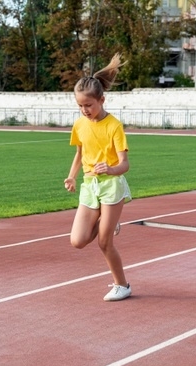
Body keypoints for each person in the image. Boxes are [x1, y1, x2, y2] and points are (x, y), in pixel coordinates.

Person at [64, 53, 132, 301]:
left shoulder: (114, 126)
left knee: (104, 243)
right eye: (80, 105)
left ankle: (122, 285)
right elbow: (80, 153)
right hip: (90, 185)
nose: (84, 110)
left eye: (89, 105)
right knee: (78, 241)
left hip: (112, 185)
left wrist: (110, 169)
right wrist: (72, 176)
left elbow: (125, 165)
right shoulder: (80, 124)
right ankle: (108, 219)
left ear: (101, 100)